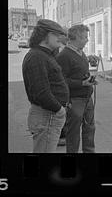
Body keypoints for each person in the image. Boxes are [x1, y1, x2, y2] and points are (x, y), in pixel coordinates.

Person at [22, 19, 70, 153]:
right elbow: (41, 92)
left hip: (49, 114)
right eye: (56, 34)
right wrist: (59, 110)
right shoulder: (37, 56)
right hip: (47, 114)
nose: (60, 38)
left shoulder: (44, 54)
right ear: (44, 35)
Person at [56, 24, 99, 153]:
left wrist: (89, 63)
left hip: (87, 98)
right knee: (73, 132)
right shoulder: (64, 56)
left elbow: (79, 70)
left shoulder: (80, 52)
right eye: (85, 37)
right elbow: (61, 81)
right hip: (75, 100)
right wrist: (82, 83)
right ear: (76, 38)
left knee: (90, 128)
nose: (87, 40)